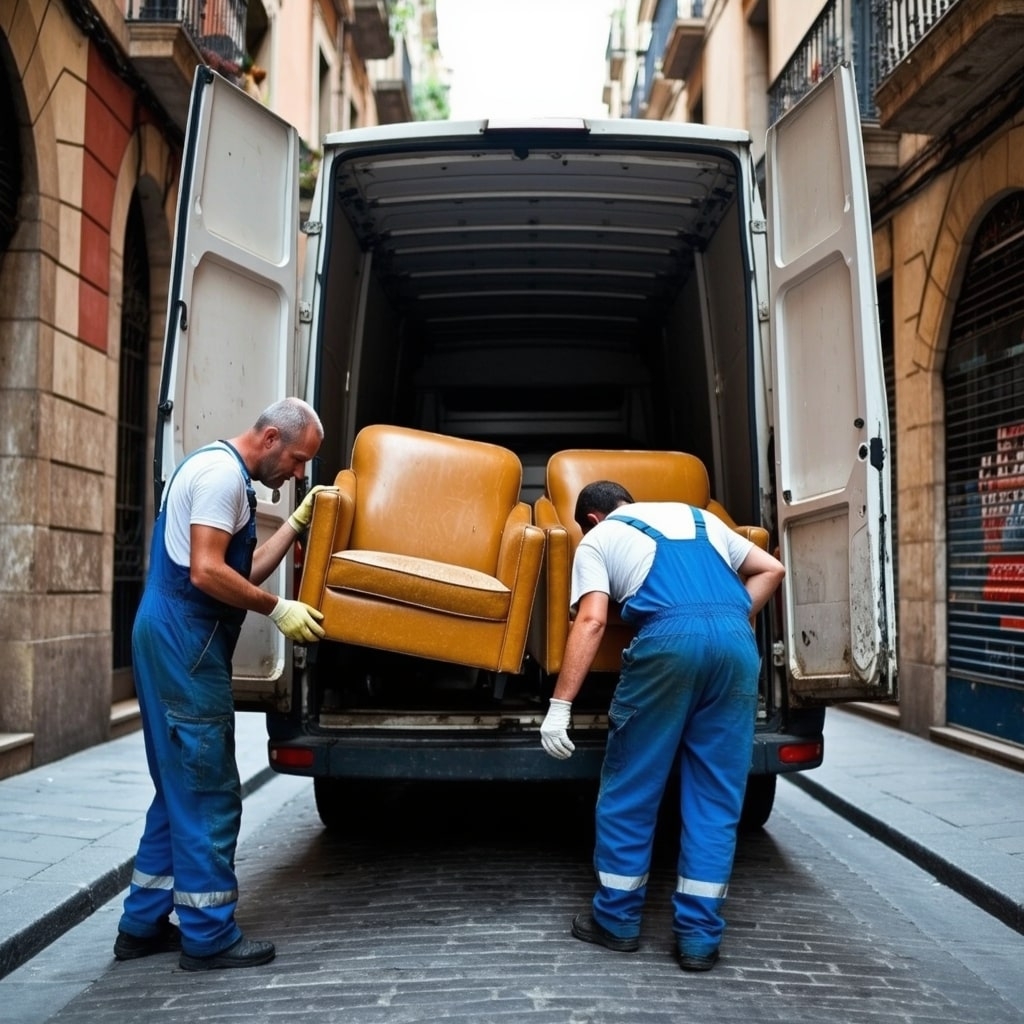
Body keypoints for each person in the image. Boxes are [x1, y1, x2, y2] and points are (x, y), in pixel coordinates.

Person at [114, 397, 329, 971]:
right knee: (209, 789)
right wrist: (278, 608)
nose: (300, 473)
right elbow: (207, 572)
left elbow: (241, 570)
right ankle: (208, 935)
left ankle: (141, 925)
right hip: (186, 643)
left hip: (174, 636)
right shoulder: (221, 479)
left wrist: (293, 526)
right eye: (300, 460)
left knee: (178, 789)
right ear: (268, 439)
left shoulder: (221, 470)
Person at [539, 480, 786, 972]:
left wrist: (560, 705)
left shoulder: (599, 538)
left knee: (633, 786)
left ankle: (617, 920)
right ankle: (698, 938)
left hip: (667, 642)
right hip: (737, 647)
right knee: (716, 796)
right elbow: (771, 568)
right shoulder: (701, 518)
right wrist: (729, 616)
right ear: (629, 501)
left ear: (590, 517)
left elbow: (590, 621)